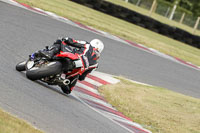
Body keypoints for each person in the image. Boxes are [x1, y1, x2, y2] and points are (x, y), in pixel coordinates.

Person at [40, 37, 104, 94]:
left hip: (73, 57)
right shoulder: (95, 64)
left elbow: (73, 42)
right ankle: (62, 82)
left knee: (60, 41)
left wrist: (66, 39)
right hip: (76, 70)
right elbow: (82, 77)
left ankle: (49, 53)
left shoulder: (88, 45)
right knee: (68, 90)